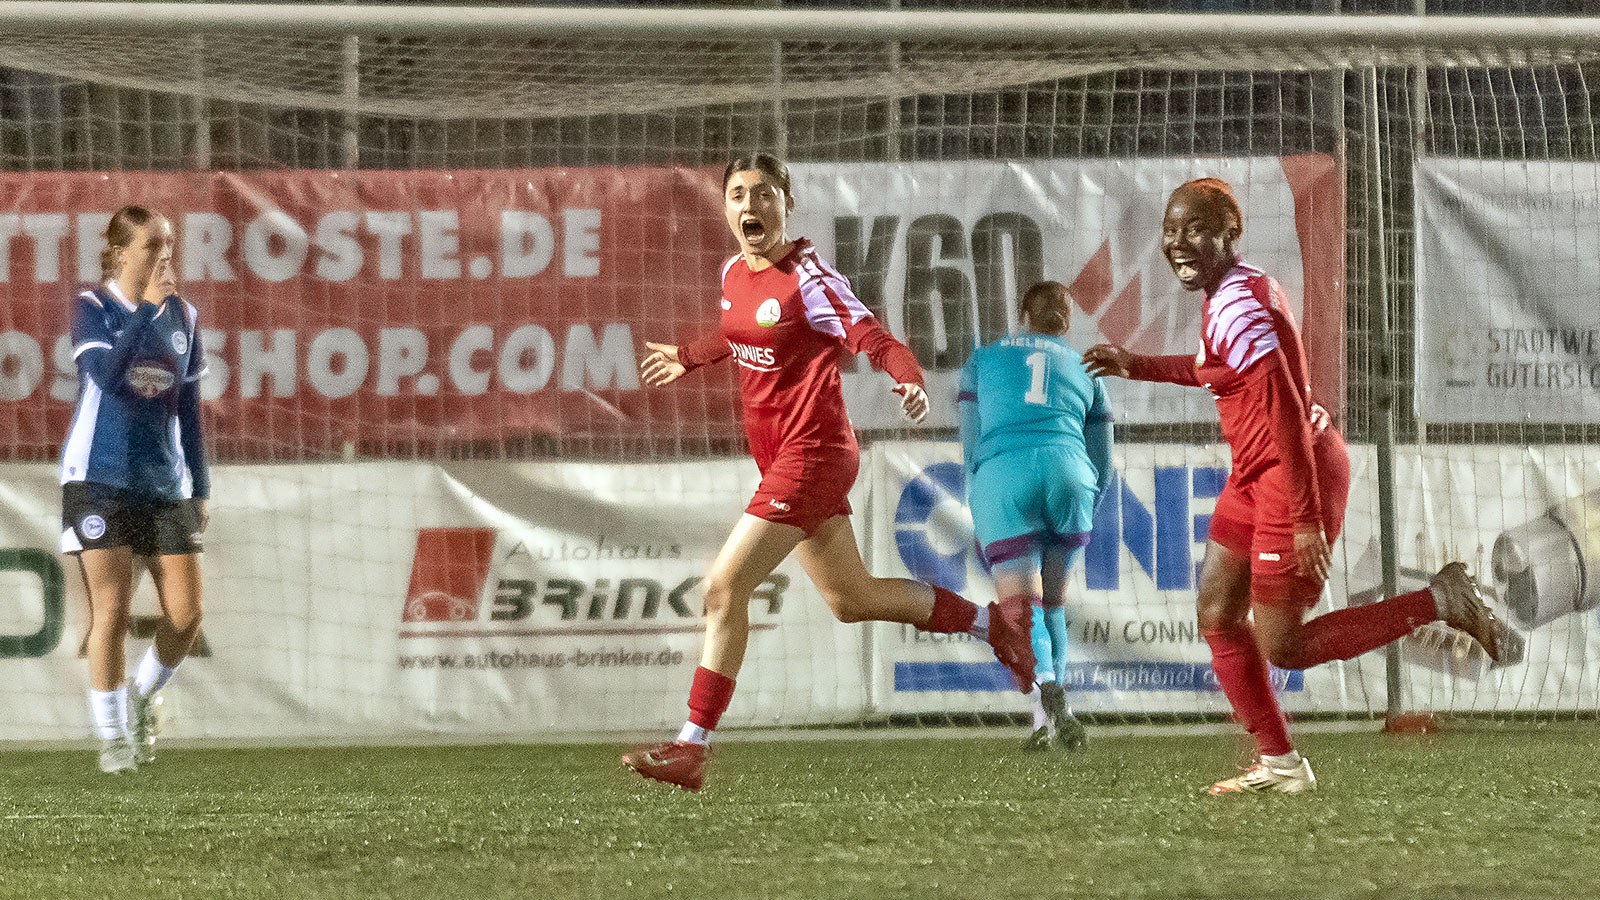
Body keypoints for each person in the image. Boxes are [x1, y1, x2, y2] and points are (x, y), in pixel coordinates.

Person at [1082, 177, 1506, 795]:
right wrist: (1138, 364)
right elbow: (1216, 369)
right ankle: (1279, 762)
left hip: (1291, 470)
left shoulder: (1238, 303)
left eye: (1195, 230)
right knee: (1217, 612)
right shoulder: (1235, 288)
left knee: (1283, 645)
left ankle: (1438, 601)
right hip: (1259, 472)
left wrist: (1305, 516)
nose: (1178, 243)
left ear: (1231, 234)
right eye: (1171, 231)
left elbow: (1282, 404)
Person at [627, 152, 1035, 791]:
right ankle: (995, 625)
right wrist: (688, 355)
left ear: (787, 204)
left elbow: (874, 338)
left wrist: (908, 379)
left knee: (724, 588)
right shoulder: (734, 272)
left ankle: (691, 746)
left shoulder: (811, 280)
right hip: (782, 459)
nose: (750, 204)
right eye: (738, 194)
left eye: (765, 193)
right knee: (852, 599)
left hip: (813, 456)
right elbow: (737, 332)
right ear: (726, 206)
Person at [61, 205, 210, 774]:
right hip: (98, 479)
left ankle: (143, 698)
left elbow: (189, 410)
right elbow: (107, 377)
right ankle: (113, 739)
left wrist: (200, 485)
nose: (164, 256)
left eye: (169, 245)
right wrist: (146, 308)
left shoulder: (184, 316)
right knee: (113, 611)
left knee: (186, 616)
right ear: (120, 252)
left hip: (164, 484)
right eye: (152, 246)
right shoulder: (92, 307)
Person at [959, 281, 1112, 752]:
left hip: (1005, 475)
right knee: (1055, 606)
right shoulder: (1088, 369)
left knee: (1022, 610)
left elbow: (971, 448)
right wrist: (1088, 501)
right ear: (1065, 323)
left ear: (1023, 315)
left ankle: (1046, 686)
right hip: (1070, 476)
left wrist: (983, 494)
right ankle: (1049, 722)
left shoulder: (981, 360)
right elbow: (1104, 459)